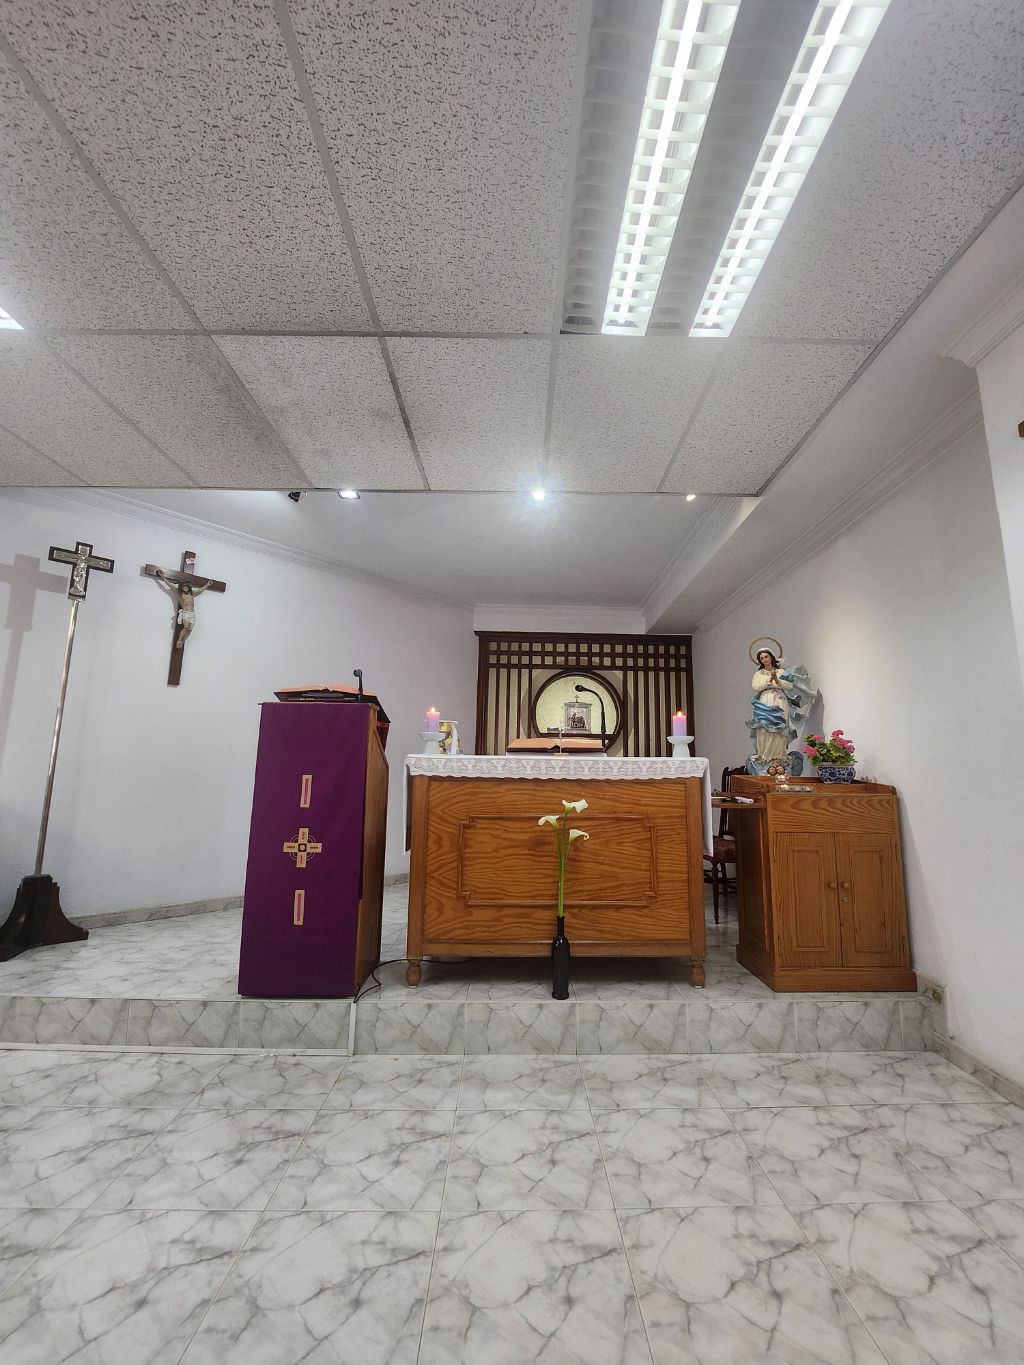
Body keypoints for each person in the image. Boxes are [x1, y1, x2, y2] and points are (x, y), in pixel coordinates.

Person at [746, 646, 814, 775]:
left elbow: (789, 685)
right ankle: (765, 757)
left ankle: (779, 756)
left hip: (780, 701)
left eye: (766, 656)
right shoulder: (758, 674)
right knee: (764, 729)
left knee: (780, 730)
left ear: (771, 657)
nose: (765, 660)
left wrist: (778, 680)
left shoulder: (781, 671)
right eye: (762, 658)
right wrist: (769, 681)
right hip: (764, 702)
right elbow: (756, 687)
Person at [154, 568, 213, 650]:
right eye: (183, 588)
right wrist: (164, 577)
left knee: (190, 630)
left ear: (188, 587)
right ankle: (179, 640)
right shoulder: (180, 594)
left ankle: (182, 642)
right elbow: (171, 586)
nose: (185, 589)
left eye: (186, 587)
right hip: (185, 613)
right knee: (186, 627)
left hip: (192, 614)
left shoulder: (192, 594)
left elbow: (200, 591)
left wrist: (207, 585)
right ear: (181, 588)